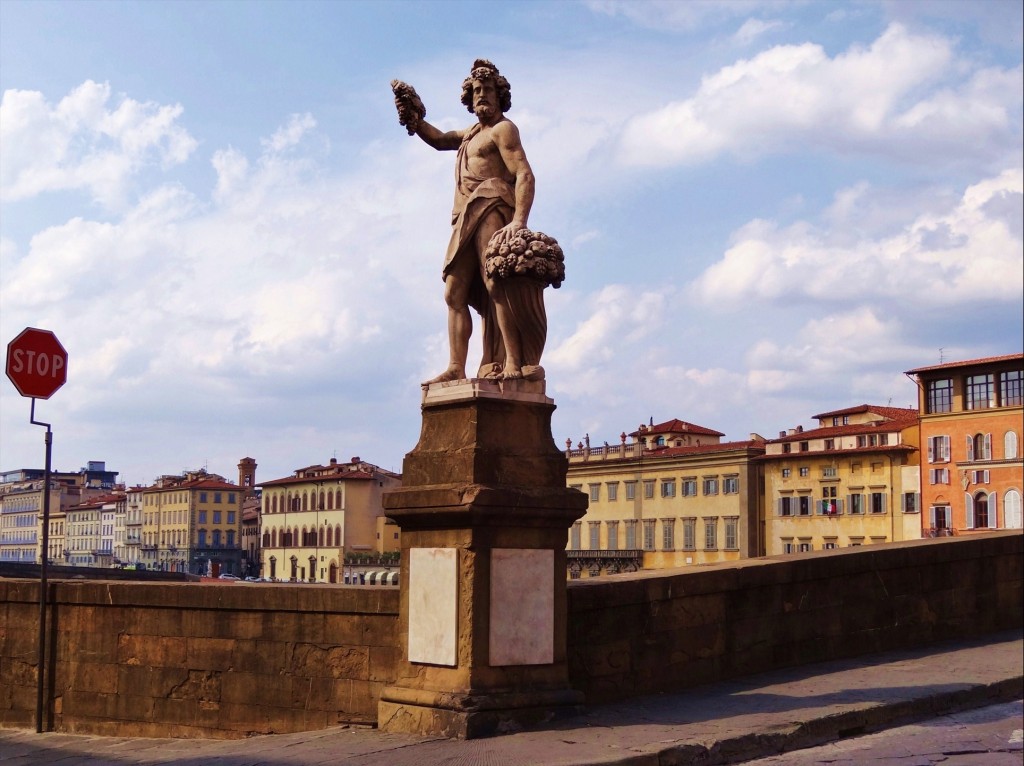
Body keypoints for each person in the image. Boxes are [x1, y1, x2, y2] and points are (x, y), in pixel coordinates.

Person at [393, 60, 538, 384]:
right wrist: (415, 117)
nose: (481, 95)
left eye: (487, 89)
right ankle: (456, 366)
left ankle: (513, 359)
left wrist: (519, 221)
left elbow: (523, 173)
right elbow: (440, 138)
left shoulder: (504, 129)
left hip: (491, 204)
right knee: (453, 293)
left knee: (495, 284)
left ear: (499, 95)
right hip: (466, 214)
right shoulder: (472, 133)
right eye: (475, 91)